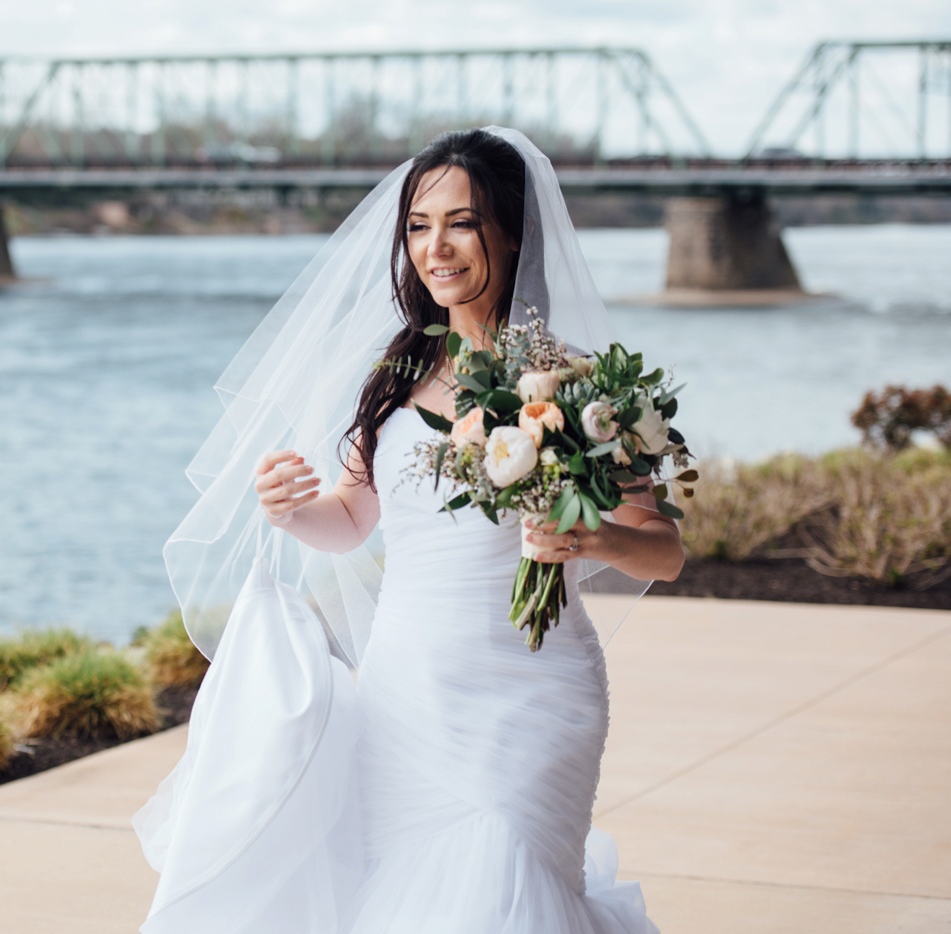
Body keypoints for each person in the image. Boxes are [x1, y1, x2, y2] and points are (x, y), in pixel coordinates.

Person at [134, 127, 683, 933]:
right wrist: (289, 510)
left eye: (462, 222)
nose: (437, 247)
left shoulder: (583, 387)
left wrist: (589, 539)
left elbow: (664, 551)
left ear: (513, 232)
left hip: (536, 691)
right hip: (407, 692)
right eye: (419, 227)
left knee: (503, 883)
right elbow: (352, 520)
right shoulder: (392, 377)